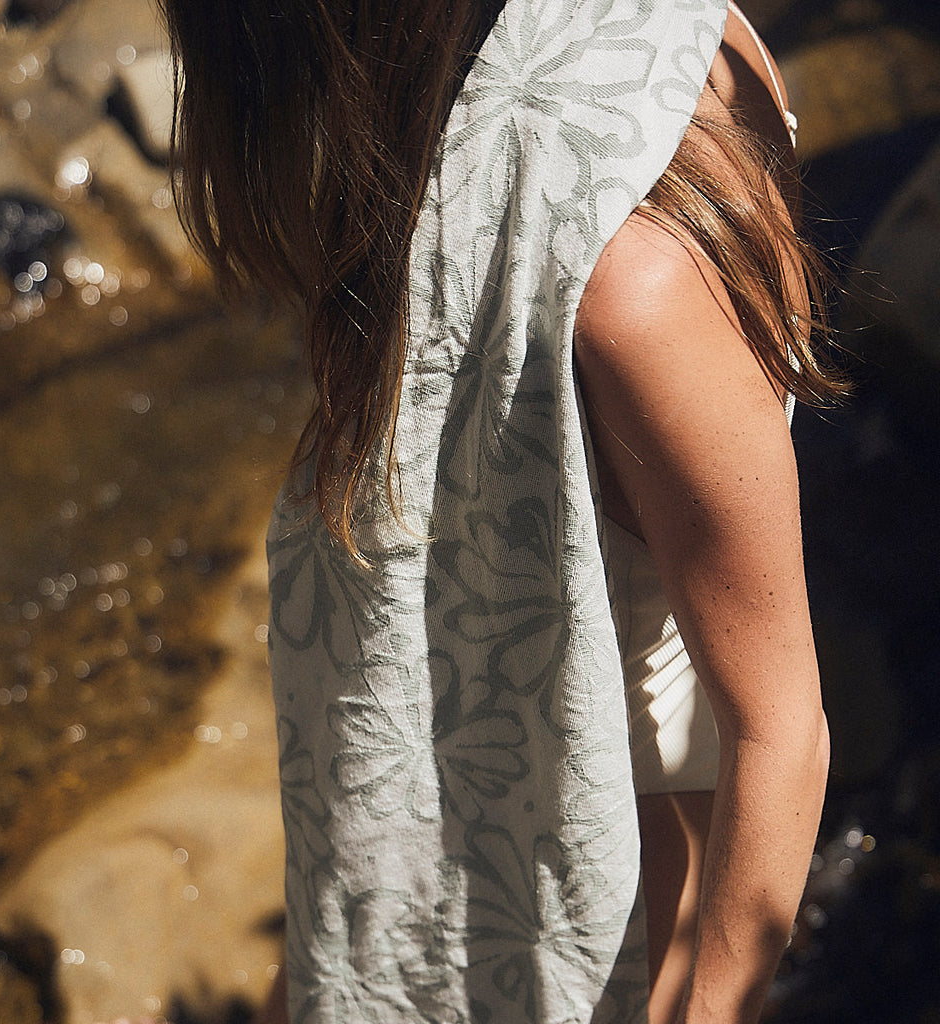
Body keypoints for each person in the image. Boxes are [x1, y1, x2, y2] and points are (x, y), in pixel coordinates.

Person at [156, 1, 846, 1022]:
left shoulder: (636, 284)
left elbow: (781, 727)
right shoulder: (657, 40)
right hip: (481, 833)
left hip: (618, 901)